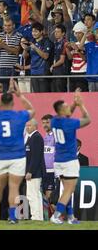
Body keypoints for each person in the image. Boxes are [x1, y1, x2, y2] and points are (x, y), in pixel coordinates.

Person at [0, 79, 35, 224]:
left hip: (2, 155)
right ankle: (13, 218)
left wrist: (4, 95)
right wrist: (19, 95)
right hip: (17, 156)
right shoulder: (19, 115)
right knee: (14, 187)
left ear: (2, 103)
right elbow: (32, 110)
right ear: (13, 103)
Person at [51, 90, 90, 224]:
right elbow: (87, 119)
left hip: (58, 161)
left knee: (66, 189)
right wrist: (80, 105)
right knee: (69, 190)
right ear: (62, 111)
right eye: (67, 106)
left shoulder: (54, 121)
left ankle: (71, 217)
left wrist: (73, 103)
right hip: (69, 160)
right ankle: (56, 215)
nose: (69, 108)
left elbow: (67, 114)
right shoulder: (70, 123)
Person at [24, 119, 46, 221]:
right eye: (26, 126)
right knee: (36, 195)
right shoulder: (31, 138)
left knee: (32, 195)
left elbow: (36, 157)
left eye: (29, 125)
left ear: (35, 126)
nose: (27, 127)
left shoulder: (36, 137)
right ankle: (38, 217)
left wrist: (30, 171)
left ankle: (35, 217)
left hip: (34, 173)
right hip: (34, 172)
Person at [41, 114, 56, 219]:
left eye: (47, 122)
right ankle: (48, 218)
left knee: (51, 197)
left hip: (53, 172)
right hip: (44, 171)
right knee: (45, 197)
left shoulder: (57, 136)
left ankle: (59, 216)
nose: (45, 125)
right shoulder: (45, 137)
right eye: (43, 123)